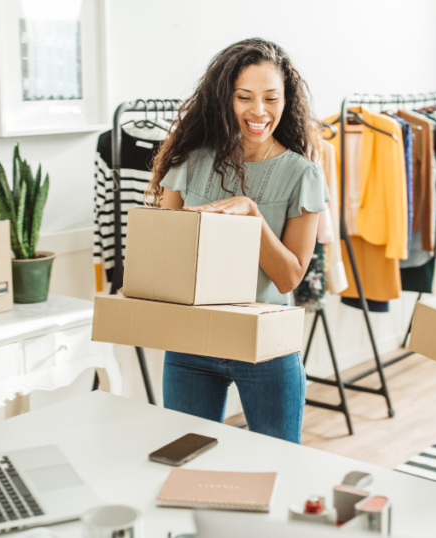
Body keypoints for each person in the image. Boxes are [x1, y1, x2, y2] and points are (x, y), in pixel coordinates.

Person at [144, 38, 329, 443]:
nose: (258, 111)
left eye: (270, 98)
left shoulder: (303, 175)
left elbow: (288, 279)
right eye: (244, 97)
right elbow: (165, 255)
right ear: (223, 98)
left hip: (266, 348)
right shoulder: (191, 161)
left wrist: (252, 214)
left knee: (276, 468)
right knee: (186, 463)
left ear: (287, 100)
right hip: (190, 344)